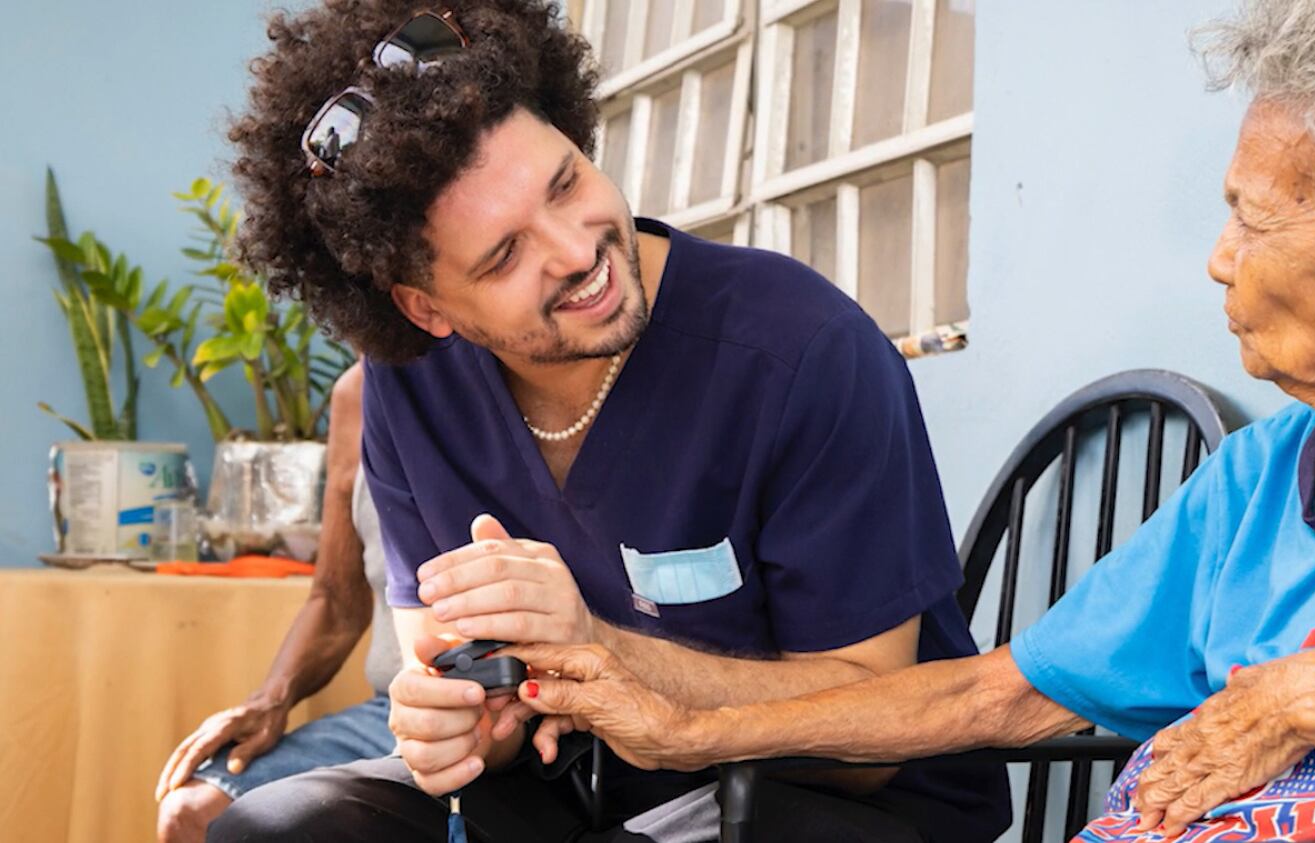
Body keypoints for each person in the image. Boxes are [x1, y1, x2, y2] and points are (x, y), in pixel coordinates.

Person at [504, 1, 1315, 840]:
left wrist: (1314, 697)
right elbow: (992, 695)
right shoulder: (1254, 482)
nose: (1220, 260)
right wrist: (683, 732)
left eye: (1255, 218)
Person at [207, 1, 1006, 841]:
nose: (577, 251)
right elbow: (445, 660)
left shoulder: (803, 350)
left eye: (566, 182)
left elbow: (866, 734)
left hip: (827, 800)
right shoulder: (410, 388)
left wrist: (599, 650)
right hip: (592, 788)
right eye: (505, 254)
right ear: (426, 307)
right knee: (282, 827)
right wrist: (464, 719)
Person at [155, 362, 403, 842]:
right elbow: (336, 600)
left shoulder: (523, 367)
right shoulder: (358, 393)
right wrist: (271, 698)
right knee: (190, 812)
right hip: (391, 711)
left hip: (511, 709)